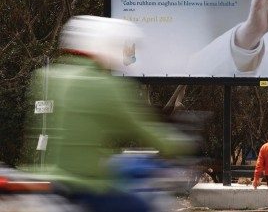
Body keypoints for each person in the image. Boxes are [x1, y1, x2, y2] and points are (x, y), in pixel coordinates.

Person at [24, 16, 193, 212]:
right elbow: (141, 128)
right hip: (84, 185)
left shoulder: (48, 77)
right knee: (145, 206)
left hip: (45, 180)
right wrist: (181, 146)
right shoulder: (103, 85)